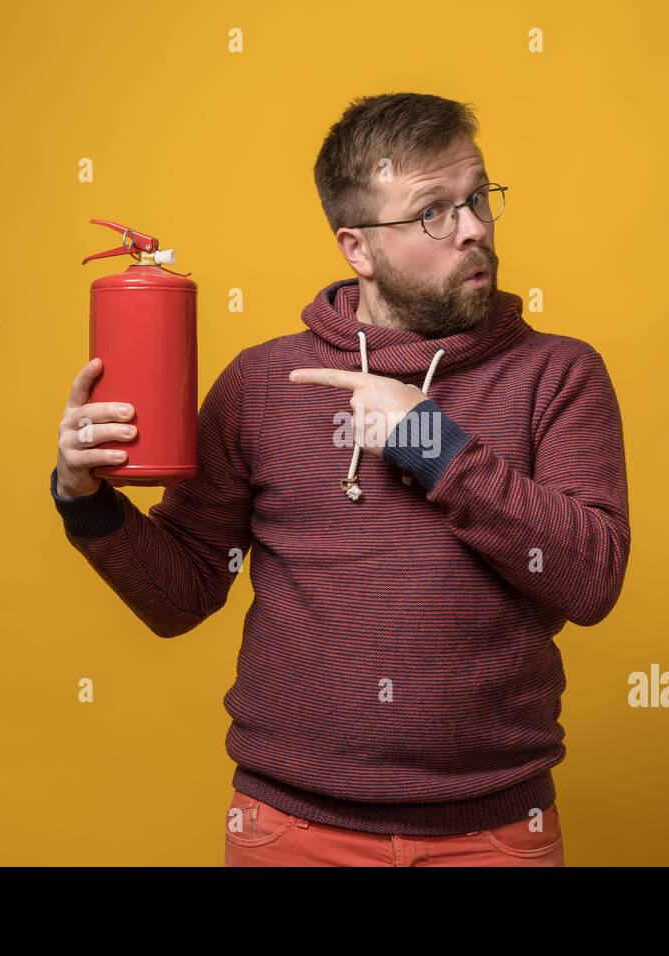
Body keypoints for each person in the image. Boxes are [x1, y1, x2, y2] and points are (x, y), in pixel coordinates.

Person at [50, 92, 630, 866]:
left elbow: (590, 580)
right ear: (356, 247)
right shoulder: (262, 384)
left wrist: (430, 442)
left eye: (478, 198)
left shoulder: (558, 374)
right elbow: (182, 595)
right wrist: (85, 502)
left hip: (495, 834)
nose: (474, 229)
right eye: (433, 212)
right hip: (290, 831)